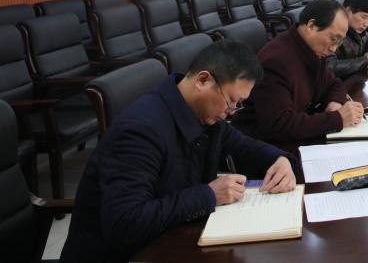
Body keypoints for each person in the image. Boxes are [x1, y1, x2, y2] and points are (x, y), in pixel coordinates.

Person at [61, 40, 297, 263]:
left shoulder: (204, 114)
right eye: (231, 101)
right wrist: (209, 195)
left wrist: (279, 159)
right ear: (203, 80)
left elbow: (243, 146)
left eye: (239, 104)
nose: (232, 112)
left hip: (172, 240)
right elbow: (126, 221)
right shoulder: (140, 131)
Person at [232, 0, 364, 143]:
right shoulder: (276, 61)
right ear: (311, 26)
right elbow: (279, 125)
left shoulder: (311, 49)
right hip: (262, 144)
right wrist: (337, 119)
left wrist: (334, 104)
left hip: (295, 136)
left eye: (339, 42)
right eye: (333, 39)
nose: (334, 49)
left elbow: (334, 83)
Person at [328, 0, 368, 80]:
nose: (367, 24)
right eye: (364, 17)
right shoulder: (332, 30)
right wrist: (365, 61)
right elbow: (330, 66)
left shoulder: (357, 30)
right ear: (348, 10)